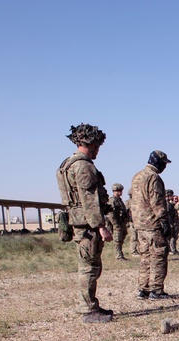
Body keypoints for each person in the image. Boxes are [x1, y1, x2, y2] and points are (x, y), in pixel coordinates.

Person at [55, 123, 114, 323]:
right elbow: (89, 200)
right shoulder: (83, 166)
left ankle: (90, 305)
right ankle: (88, 309)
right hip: (88, 226)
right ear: (91, 143)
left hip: (80, 222)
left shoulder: (67, 164)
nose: (99, 150)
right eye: (97, 146)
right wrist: (101, 226)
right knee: (89, 266)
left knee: (87, 265)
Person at [130, 150, 173, 300]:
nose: (165, 167)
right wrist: (164, 221)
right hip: (153, 224)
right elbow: (157, 202)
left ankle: (143, 288)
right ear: (158, 162)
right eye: (164, 164)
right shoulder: (154, 178)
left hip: (140, 224)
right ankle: (156, 290)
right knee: (159, 255)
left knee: (145, 256)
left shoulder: (137, 176)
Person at [108, 183, 130, 260]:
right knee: (117, 240)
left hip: (121, 222)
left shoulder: (119, 200)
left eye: (121, 191)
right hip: (117, 223)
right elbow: (110, 214)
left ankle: (120, 254)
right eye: (119, 191)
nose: (121, 192)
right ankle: (118, 256)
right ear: (115, 191)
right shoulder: (112, 200)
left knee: (121, 238)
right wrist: (115, 224)